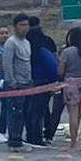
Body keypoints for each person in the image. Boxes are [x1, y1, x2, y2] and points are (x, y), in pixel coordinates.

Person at [58, 26, 81, 152]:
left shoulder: (66, 52)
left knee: (73, 115)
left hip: (71, 84)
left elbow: (60, 70)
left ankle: (73, 143)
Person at [0, 14, 33, 153]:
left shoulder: (26, 43)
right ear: (15, 27)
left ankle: (19, 139)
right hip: (16, 84)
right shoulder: (11, 43)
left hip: (27, 83)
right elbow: (7, 63)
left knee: (25, 113)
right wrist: (11, 82)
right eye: (21, 25)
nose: (24, 28)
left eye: (26, 25)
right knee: (15, 113)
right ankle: (14, 141)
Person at [25, 16, 58, 148]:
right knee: (42, 110)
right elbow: (53, 61)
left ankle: (30, 135)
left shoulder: (25, 41)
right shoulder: (47, 41)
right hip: (44, 80)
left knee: (30, 109)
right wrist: (55, 79)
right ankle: (42, 136)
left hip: (28, 80)